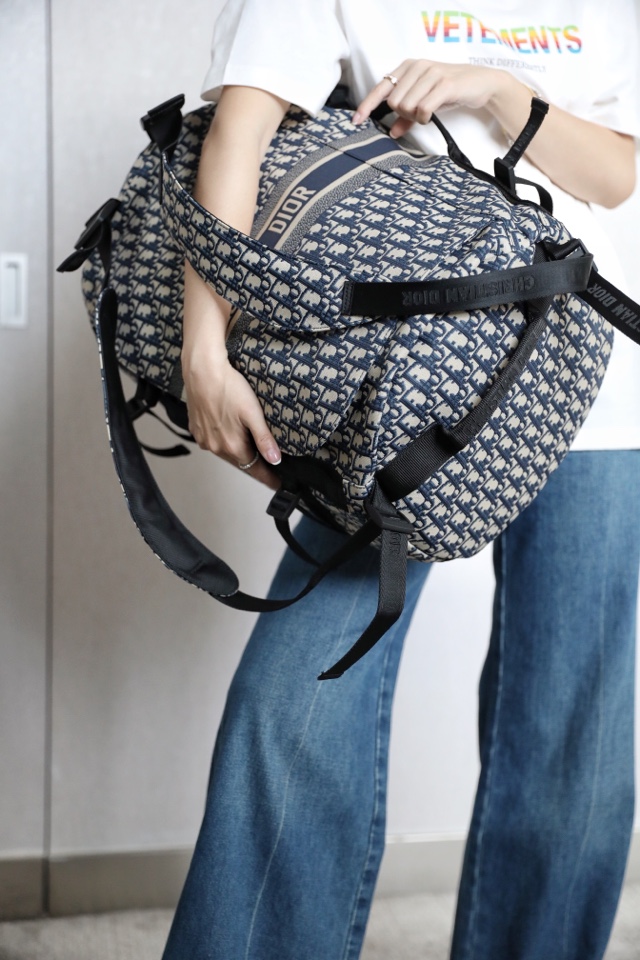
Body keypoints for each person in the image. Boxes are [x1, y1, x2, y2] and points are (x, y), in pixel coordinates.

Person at [162, 3, 640, 958]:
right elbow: (239, 134)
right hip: (397, 389)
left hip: (597, 389)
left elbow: (617, 177)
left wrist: (499, 92)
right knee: (297, 696)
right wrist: (203, 350)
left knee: (573, 740)